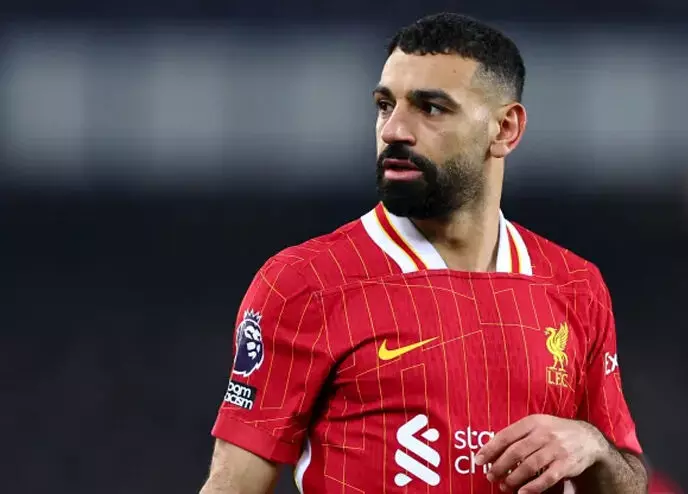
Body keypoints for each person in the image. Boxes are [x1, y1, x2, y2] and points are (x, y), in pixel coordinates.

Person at [200, 12, 647, 494]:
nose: (393, 130)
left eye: (430, 108)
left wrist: (593, 446)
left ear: (505, 129)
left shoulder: (575, 286)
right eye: (384, 105)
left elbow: (628, 480)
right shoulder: (305, 283)